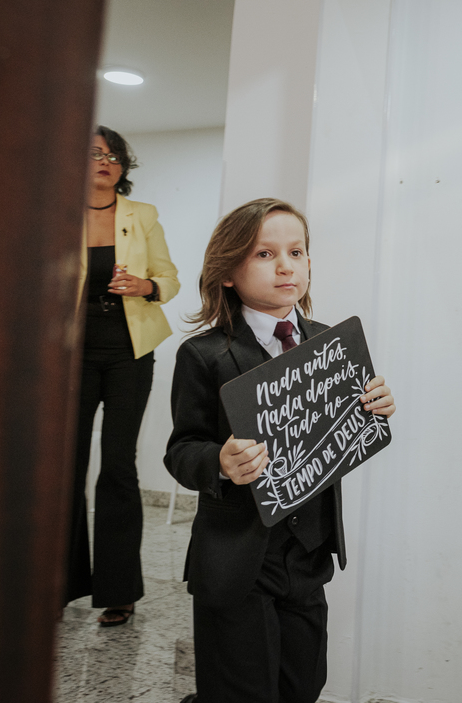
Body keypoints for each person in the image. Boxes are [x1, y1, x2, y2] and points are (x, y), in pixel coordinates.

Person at [165, 198, 395, 703]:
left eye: (296, 251)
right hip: (238, 560)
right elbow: (182, 450)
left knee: (302, 685)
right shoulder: (204, 354)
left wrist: (372, 407)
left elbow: (340, 433)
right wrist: (219, 462)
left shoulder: (331, 344)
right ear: (228, 272)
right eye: (264, 254)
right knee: (241, 691)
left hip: (307, 557)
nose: (286, 266)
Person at [66, 125, 180, 625]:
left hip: (129, 351)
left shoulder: (142, 215)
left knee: (117, 465)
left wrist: (144, 285)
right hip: (71, 352)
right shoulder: (58, 214)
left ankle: (119, 590)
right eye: (95, 153)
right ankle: (59, 584)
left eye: (114, 156)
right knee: (65, 467)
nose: (105, 161)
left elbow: (170, 280)